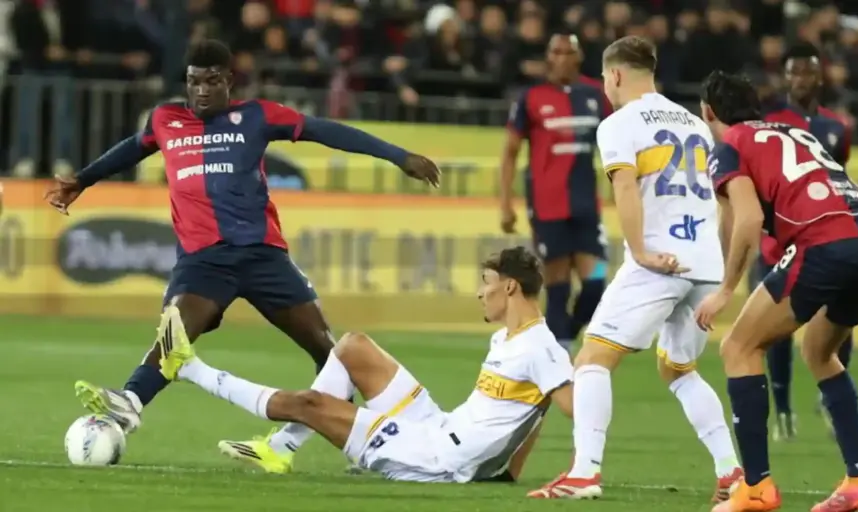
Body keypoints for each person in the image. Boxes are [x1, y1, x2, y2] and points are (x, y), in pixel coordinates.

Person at [44, 40, 441, 440]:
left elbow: (326, 130)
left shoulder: (257, 116)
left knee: (328, 352)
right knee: (174, 334)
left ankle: (363, 439)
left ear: (229, 80)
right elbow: (131, 150)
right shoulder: (166, 119)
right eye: (193, 82)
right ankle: (130, 403)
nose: (201, 90)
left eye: (211, 81)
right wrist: (82, 180)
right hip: (204, 261)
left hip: (262, 256)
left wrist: (397, 156)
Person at [528, 36, 742, 502]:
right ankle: (730, 472)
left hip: (660, 260)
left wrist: (640, 251)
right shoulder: (694, 123)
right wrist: (721, 268)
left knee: (591, 360)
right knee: (680, 369)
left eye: (606, 77)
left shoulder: (619, 124)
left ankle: (584, 472)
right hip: (705, 262)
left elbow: (625, 189)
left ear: (616, 75)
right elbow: (726, 201)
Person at [162, 246, 575, 482]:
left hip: (436, 460)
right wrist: (508, 476)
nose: (479, 294)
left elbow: (571, 407)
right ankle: (282, 449)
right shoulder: (508, 338)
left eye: (485, 284)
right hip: (439, 426)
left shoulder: (542, 348)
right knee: (353, 346)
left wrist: (582, 468)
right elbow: (532, 412)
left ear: (509, 286)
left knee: (311, 405)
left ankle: (188, 367)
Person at [696, 71, 858, 512]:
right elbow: (857, 191)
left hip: (823, 243)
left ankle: (755, 487)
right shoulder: (791, 131)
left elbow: (748, 220)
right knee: (819, 352)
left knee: (738, 347)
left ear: (707, 112)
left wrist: (725, 290)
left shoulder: (729, 143)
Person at [759, 42, 856, 440]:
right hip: (781, 242)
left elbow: (841, 180)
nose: (800, 79)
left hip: (828, 240)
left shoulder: (836, 127)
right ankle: (782, 410)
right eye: (793, 72)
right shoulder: (769, 121)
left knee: (841, 321)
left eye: (807, 72)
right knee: (777, 329)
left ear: (820, 77)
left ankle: (829, 399)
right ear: (784, 78)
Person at [501, 34, 611, 352]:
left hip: (587, 205)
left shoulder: (596, 95)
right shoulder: (530, 97)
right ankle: (558, 358)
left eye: (568, 52)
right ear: (548, 57)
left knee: (596, 282)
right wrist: (506, 204)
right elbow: (509, 152)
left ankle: (563, 335)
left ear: (579, 56)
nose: (562, 58)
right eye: (556, 52)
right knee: (558, 284)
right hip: (547, 206)